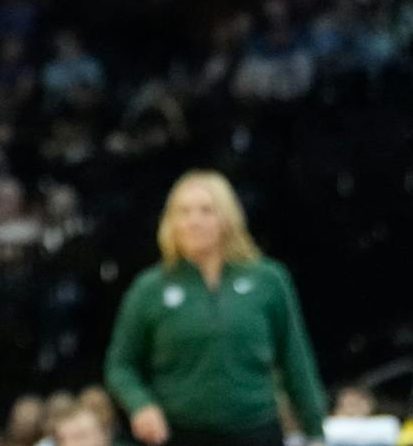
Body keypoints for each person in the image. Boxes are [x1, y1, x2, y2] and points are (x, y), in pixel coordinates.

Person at [103, 172, 326, 446]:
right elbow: (120, 365)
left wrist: (314, 430)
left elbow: (296, 358)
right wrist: (140, 404)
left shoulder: (268, 280)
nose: (194, 221)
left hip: (255, 431)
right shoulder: (150, 289)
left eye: (206, 211)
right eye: (183, 212)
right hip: (180, 433)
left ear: (228, 217)